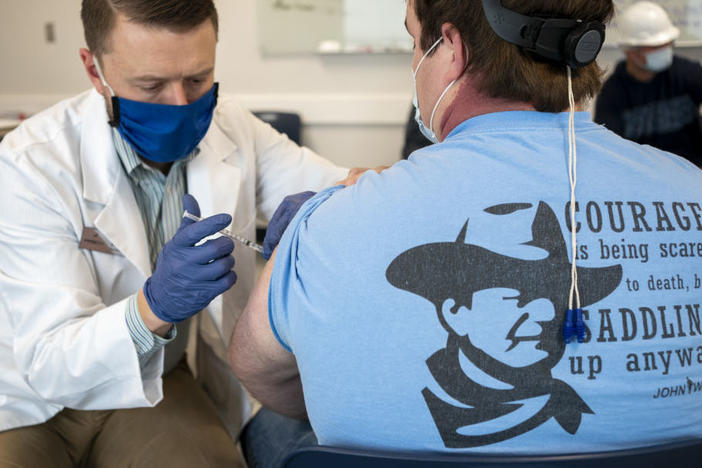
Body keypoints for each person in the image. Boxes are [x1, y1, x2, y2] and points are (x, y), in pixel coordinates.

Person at [229, 0, 702, 465]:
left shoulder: (328, 221)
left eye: (416, 43)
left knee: (272, 428)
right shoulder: (693, 190)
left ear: (452, 47)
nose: (539, 313)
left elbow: (260, 372)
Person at [0, 0, 353, 466]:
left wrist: (328, 211)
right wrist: (154, 307)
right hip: (29, 401)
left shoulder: (231, 125)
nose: (181, 104)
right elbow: (50, 364)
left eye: (197, 79)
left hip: (156, 380)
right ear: (94, 68)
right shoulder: (31, 164)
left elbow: (347, 185)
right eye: (150, 85)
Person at [594, 1, 702, 167]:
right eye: (656, 47)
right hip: (644, 176)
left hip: (693, 170)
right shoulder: (613, 94)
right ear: (631, 51)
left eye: (667, 44)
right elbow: (610, 152)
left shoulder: (686, 73)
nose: (665, 51)